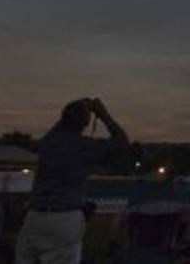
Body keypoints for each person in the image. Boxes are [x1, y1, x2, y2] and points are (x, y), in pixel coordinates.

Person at [16, 98, 128, 264]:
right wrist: (104, 115)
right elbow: (121, 142)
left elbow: (59, 128)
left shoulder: (48, 142)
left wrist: (75, 110)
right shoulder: (85, 146)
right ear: (85, 123)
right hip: (65, 218)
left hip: (35, 216)